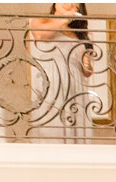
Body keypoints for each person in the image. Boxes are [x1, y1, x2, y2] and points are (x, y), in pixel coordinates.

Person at [28, 3, 98, 143]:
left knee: (77, 131)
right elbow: (40, 34)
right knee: (51, 130)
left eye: (76, 6)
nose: (72, 6)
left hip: (75, 88)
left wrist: (86, 61)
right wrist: (63, 20)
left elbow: (87, 72)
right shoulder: (40, 21)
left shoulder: (81, 33)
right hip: (50, 86)